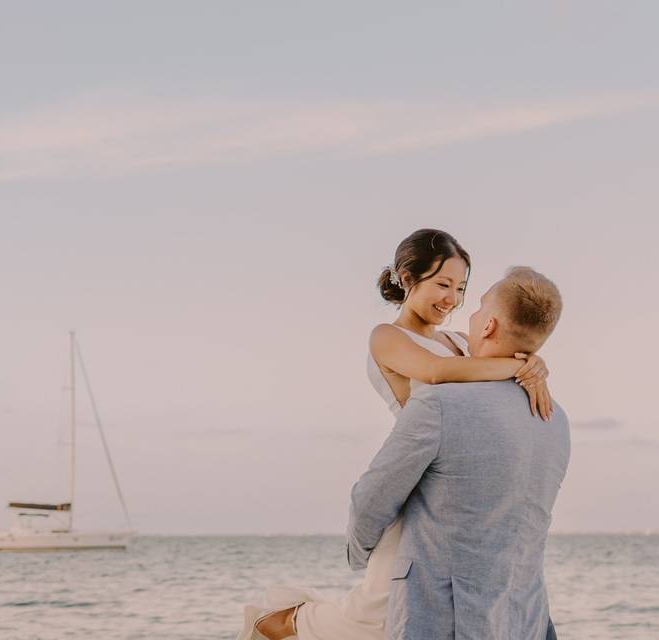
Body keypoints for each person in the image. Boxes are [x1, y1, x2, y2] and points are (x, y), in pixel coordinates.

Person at [237, 230, 554, 640]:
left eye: (460, 288)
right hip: (413, 484)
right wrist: (520, 366)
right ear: (407, 278)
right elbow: (436, 374)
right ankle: (279, 622)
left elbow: (497, 364)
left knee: (399, 615)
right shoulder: (387, 337)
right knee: (375, 616)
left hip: (448, 491)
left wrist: (533, 360)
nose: (452, 299)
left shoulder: (459, 342)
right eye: (442, 284)